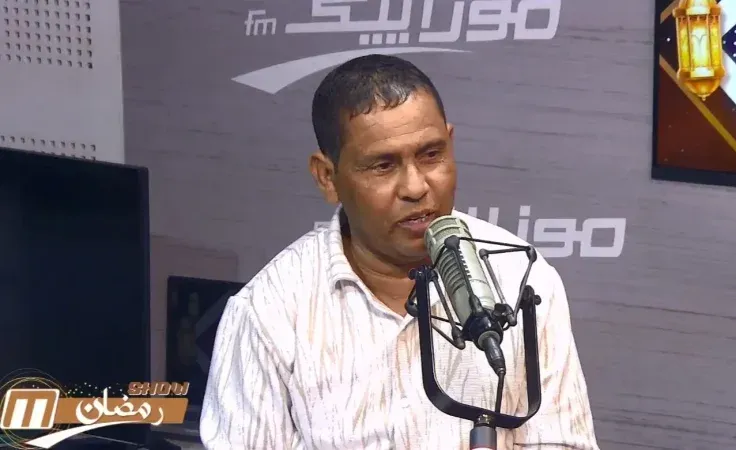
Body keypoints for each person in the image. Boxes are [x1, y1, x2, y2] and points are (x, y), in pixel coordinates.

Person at [199, 54, 599, 449]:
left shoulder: (522, 278)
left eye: (431, 155)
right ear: (327, 177)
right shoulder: (267, 312)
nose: (416, 187)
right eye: (383, 166)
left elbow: (564, 442)